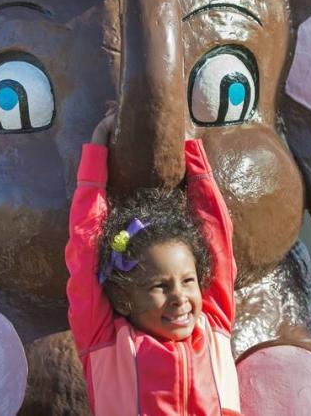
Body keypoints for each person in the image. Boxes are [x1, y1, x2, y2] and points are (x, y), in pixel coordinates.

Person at [65, 110, 241, 415]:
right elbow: (84, 252)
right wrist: (97, 149)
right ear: (123, 299)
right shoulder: (106, 344)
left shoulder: (212, 325)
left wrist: (188, 147)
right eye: (159, 286)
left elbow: (217, 240)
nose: (180, 297)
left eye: (188, 281)